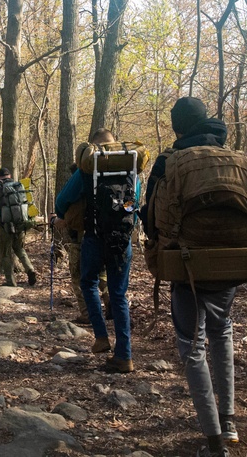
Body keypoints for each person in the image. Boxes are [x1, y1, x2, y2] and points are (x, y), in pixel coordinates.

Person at [144, 97, 247, 457]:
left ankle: (214, 441)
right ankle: (228, 424)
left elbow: (151, 215)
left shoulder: (170, 161)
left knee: (192, 346)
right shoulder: (238, 160)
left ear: (178, 128)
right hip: (234, 264)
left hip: (188, 266)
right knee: (222, 330)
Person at [54, 128, 138, 373]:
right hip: (122, 240)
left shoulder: (87, 170)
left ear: (93, 147)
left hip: (94, 238)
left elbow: (62, 200)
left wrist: (64, 216)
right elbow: (134, 202)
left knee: (88, 282)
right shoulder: (130, 168)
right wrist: (120, 216)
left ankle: (101, 337)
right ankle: (124, 356)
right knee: (119, 295)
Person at [50, 163, 109, 325]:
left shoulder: (76, 192)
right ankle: (111, 304)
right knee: (102, 274)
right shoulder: (106, 182)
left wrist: (57, 219)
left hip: (80, 239)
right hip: (106, 237)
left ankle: (87, 313)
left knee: (79, 277)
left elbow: (61, 205)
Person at [0, 168, 37, 288]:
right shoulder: (19, 186)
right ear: (9, 175)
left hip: (6, 227)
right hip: (21, 224)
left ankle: (10, 282)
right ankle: (30, 269)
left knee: (5, 253)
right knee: (19, 249)